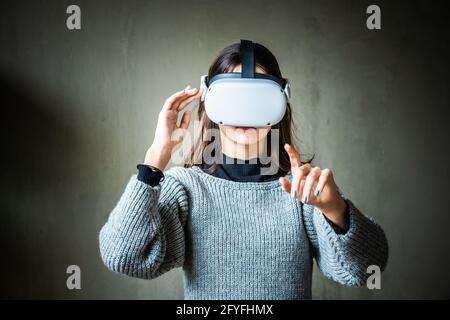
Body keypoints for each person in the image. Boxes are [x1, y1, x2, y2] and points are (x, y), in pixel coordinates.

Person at [99, 41, 389, 300]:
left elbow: (367, 269)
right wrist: (155, 158)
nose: (246, 110)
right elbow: (124, 257)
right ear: (210, 102)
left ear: (281, 104)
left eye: (259, 97)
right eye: (233, 96)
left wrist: (335, 209)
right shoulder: (184, 189)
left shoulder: (303, 190)